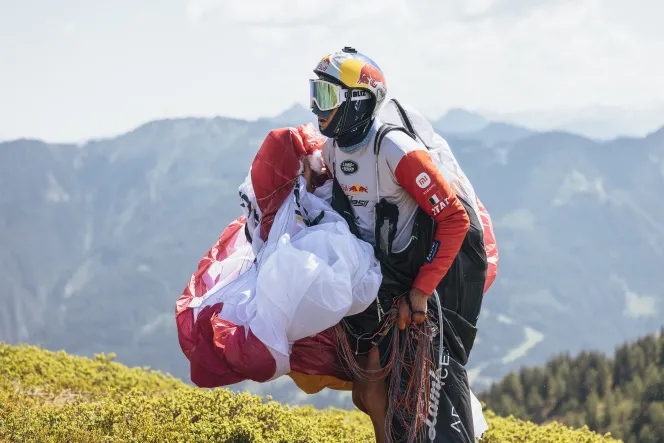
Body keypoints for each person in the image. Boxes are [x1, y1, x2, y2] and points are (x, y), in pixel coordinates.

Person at [308, 47, 489, 442]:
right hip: (387, 275)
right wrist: (315, 171)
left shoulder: (395, 149)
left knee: (422, 387)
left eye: (325, 96)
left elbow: (454, 219)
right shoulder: (335, 148)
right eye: (314, 93)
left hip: (435, 274)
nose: (315, 108)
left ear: (357, 101)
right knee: (368, 386)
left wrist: (421, 293)